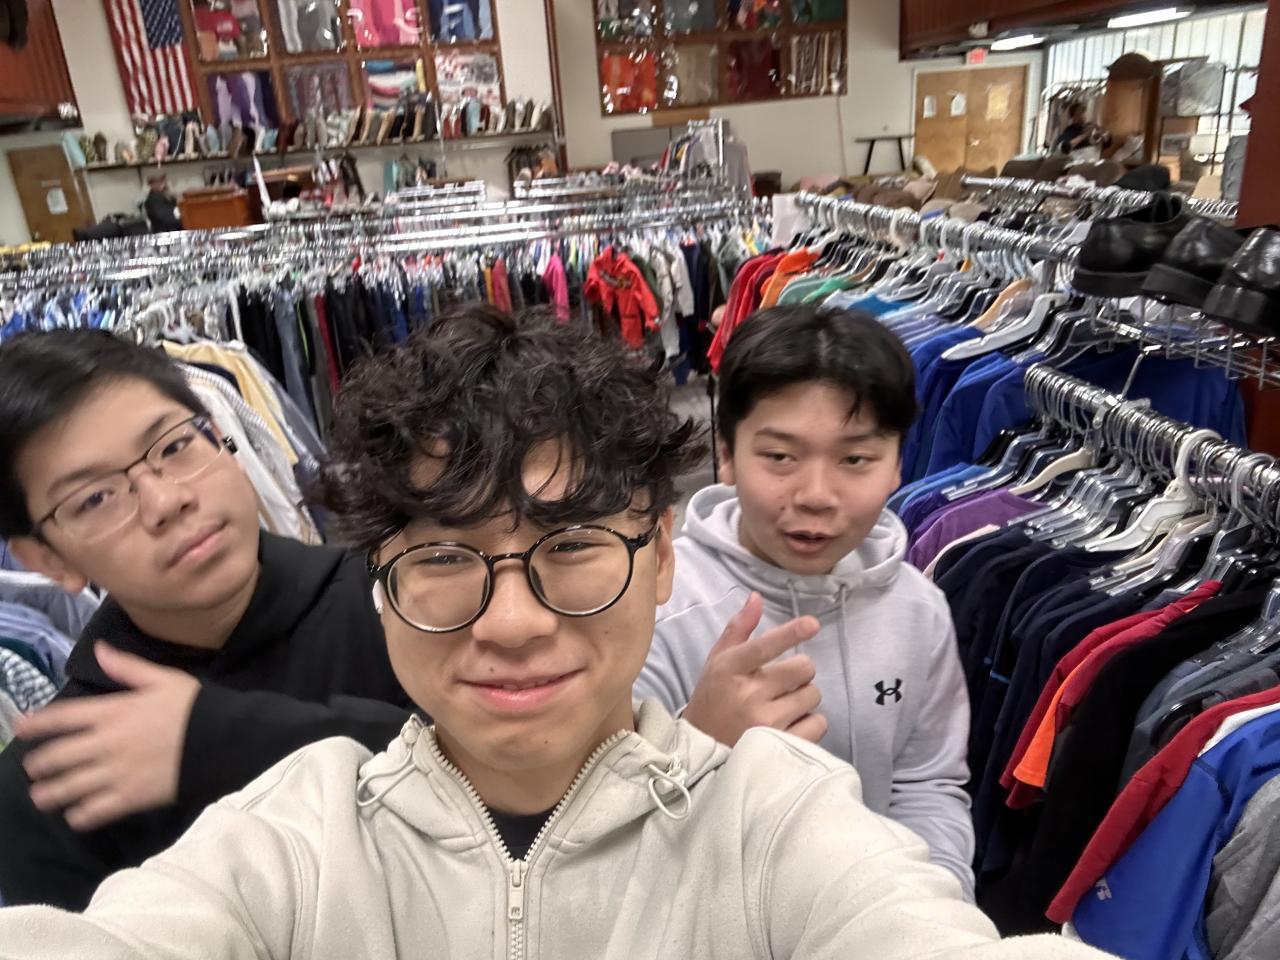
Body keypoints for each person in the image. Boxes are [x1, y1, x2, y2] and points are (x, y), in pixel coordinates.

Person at [0, 306, 1107, 959]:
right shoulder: (291, 841)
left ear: (660, 555)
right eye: (443, 559)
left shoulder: (774, 822)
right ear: (378, 580)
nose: (516, 622)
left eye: (572, 545)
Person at [0, 330, 411, 910]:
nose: (166, 502)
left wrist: (224, 741)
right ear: (48, 560)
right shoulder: (53, 779)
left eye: (174, 447)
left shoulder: (402, 598)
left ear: (220, 436)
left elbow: (513, 788)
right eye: (95, 498)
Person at [636, 305, 977, 897]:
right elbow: (604, 837)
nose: (817, 495)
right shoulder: (654, 615)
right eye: (780, 457)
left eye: (855, 460)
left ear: (898, 465)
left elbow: (927, 785)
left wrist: (934, 909)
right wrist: (699, 743)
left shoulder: (919, 610)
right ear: (727, 455)